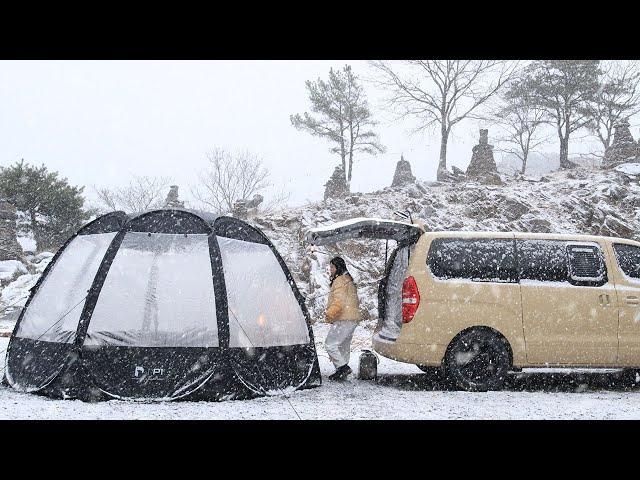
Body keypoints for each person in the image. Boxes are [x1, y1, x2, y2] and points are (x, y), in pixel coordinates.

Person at [324, 256, 361, 380]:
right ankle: (342, 372)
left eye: (332, 267)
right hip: (353, 318)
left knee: (330, 344)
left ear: (338, 268)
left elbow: (339, 301)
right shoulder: (349, 279)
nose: (331, 269)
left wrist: (329, 313)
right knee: (343, 346)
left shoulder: (339, 280)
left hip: (343, 318)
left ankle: (342, 368)